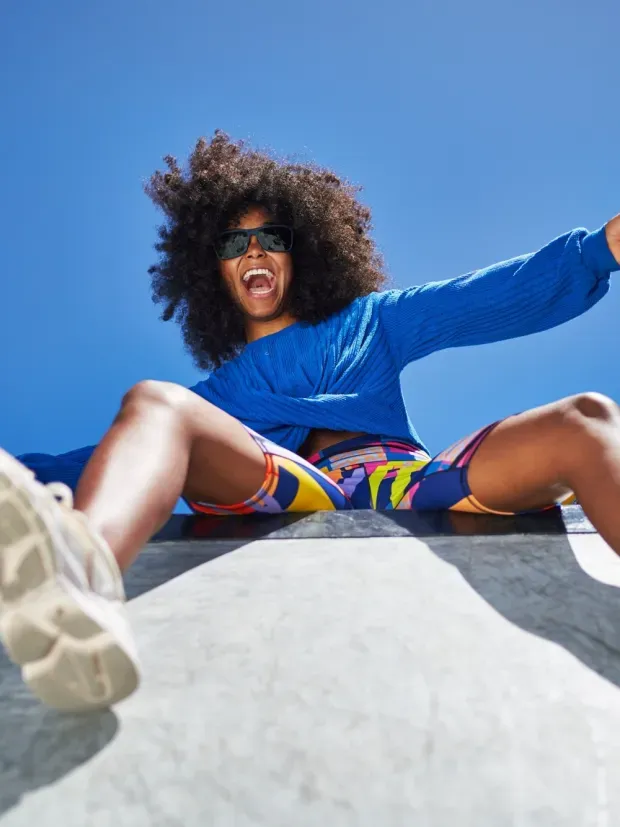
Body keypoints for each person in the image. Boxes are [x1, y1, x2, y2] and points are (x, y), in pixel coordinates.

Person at [1, 131, 619, 712]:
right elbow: (99, 463)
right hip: (297, 490)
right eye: (232, 244)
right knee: (157, 403)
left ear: (304, 252)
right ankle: (78, 594)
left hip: (403, 481)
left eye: (272, 237)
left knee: (587, 418)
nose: (253, 252)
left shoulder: (372, 321)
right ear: (212, 270)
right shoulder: (218, 397)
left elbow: (490, 296)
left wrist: (602, 249)